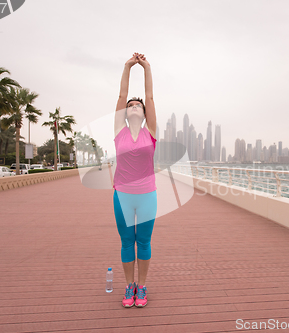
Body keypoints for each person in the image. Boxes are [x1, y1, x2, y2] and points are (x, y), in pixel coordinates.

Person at [112, 53, 157, 308]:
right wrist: (128, 66)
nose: (134, 106)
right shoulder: (119, 132)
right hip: (123, 196)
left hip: (147, 194)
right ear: (126, 114)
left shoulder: (150, 133)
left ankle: (143, 286)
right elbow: (121, 97)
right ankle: (130, 286)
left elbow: (149, 97)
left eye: (137, 105)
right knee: (127, 242)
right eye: (130, 106)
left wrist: (147, 67)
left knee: (144, 241)